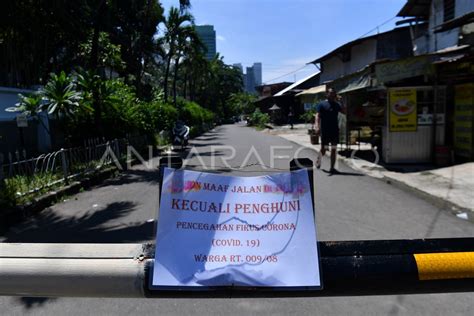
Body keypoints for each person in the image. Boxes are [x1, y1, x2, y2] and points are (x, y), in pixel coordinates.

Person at [316, 88, 345, 173]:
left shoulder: (337, 105)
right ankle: (319, 159)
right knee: (324, 149)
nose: (332, 95)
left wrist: (342, 101)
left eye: (334, 93)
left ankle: (332, 168)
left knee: (333, 149)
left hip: (334, 130)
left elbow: (344, 111)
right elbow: (317, 116)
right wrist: (317, 126)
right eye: (331, 93)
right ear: (327, 94)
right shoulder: (322, 104)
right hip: (325, 130)